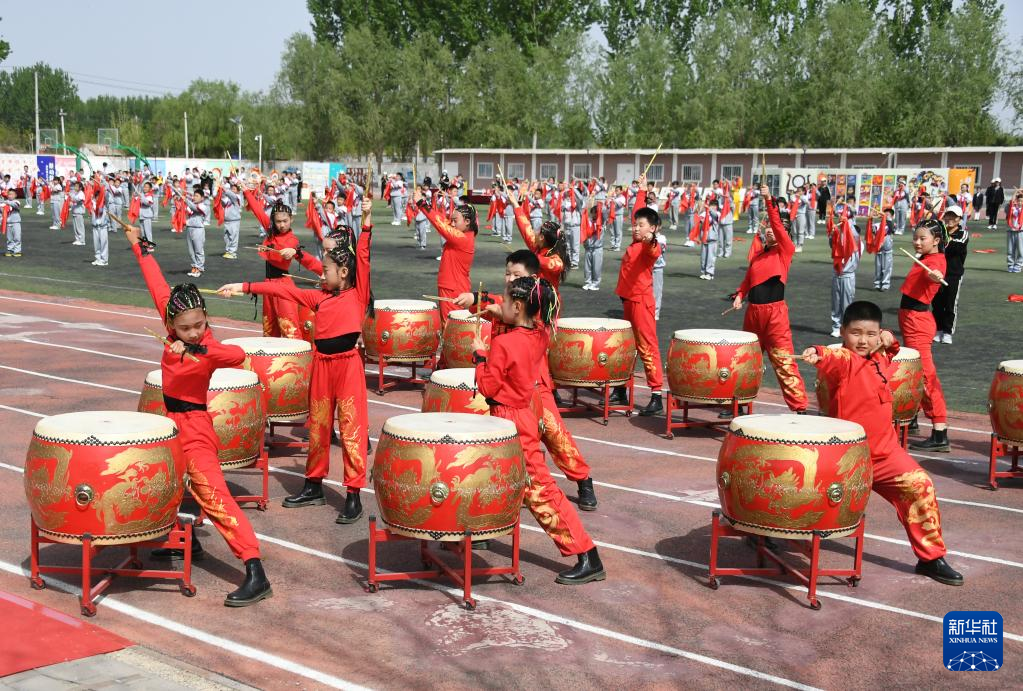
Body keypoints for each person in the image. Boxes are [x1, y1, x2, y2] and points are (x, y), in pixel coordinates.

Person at [119, 224, 272, 606]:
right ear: (170, 323)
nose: (192, 332)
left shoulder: (207, 345)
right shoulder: (171, 322)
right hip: (169, 423)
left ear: (205, 319)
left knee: (214, 495)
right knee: (163, 481)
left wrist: (200, 351)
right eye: (184, 328)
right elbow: (156, 284)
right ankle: (182, 541)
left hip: (195, 427)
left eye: (199, 325)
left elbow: (237, 355)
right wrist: (139, 246)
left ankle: (255, 569)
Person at [220, 203, 374, 523]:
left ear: (344, 273)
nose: (322, 275)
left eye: (326, 271)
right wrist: (244, 287)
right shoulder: (318, 298)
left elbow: (363, 255)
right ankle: (313, 485)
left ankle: (353, 494)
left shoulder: (358, 295)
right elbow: (280, 290)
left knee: (351, 430)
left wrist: (367, 221)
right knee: (318, 428)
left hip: (347, 367)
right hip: (322, 366)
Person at [802, 300, 963, 586]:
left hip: (886, 455)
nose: (862, 341)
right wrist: (817, 351)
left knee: (920, 485)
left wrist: (887, 336)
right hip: (847, 458)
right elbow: (832, 356)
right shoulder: (844, 361)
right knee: (802, 495)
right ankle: (766, 532)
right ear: (842, 332)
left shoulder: (881, 355)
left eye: (869, 334)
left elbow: (891, 345)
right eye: (855, 333)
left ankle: (930, 558)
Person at [471, 275, 604, 583]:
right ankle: (481, 530)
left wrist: (479, 356)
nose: (501, 305)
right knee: (498, 474)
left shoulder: (503, 343)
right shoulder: (542, 332)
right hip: (526, 411)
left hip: (510, 418)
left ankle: (586, 553)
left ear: (518, 307)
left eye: (506, 301)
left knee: (539, 488)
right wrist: (497, 311)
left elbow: (488, 386)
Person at [454, 249, 598, 510]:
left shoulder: (538, 302)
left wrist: (488, 303)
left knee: (554, 434)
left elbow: (509, 310)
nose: (510, 279)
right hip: (505, 387)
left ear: (533, 279)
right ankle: (510, 489)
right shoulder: (508, 301)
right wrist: (474, 299)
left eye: (516, 274)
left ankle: (582, 478)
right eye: (507, 273)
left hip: (534, 384)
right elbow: (497, 304)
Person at [730, 185, 809, 414]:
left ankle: (800, 408)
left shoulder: (785, 251)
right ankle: (739, 404)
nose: (772, 231)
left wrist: (768, 199)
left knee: (783, 361)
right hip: (753, 314)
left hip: (775, 316)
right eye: (769, 228)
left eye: (778, 229)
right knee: (746, 360)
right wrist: (740, 295)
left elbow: (777, 224)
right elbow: (748, 280)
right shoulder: (758, 255)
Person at [611, 176, 664, 416]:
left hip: (641, 302)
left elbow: (654, 249)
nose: (636, 227)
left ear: (652, 228)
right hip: (628, 301)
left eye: (641, 225)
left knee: (647, 347)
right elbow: (637, 212)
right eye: (635, 224)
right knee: (627, 347)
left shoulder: (648, 245)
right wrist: (641, 191)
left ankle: (656, 394)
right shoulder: (635, 242)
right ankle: (621, 389)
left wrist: (651, 238)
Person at [242, 190, 324, 339]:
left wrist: (292, 251)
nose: (281, 225)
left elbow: (295, 250)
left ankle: (297, 354)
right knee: (269, 329)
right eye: (278, 221)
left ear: (291, 219)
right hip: (268, 285)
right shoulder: (271, 232)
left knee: (289, 329)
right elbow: (258, 211)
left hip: (283, 286)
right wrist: (246, 192)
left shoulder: (292, 239)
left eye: (285, 221)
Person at [899, 220, 950, 452]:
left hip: (917, 323)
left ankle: (940, 431)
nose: (917, 242)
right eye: (916, 238)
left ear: (936, 241)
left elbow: (934, 274)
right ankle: (912, 418)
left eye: (922, 238)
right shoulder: (927, 257)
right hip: (911, 320)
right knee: (913, 371)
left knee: (926, 376)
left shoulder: (936, 261)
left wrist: (935, 275)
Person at [416, 185, 476, 323]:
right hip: (451, 286)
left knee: (451, 325)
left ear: (467, 222)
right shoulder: (465, 234)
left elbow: (441, 225)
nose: (452, 224)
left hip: (453, 288)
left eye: (455, 221)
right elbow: (443, 221)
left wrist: (421, 203)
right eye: (452, 220)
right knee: (451, 324)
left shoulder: (463, 238)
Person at [932, 205, 968, 344]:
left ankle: (947, 332)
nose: (950, 219)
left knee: (950, 304)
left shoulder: (962, 234)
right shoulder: (938, 233)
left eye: (954, 216)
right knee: (937, 303)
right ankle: (939, 329)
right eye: (948, 215)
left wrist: (942, 239)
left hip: (953, 274)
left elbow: (955, 248)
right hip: (937, 273)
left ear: (959, 219)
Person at [828, 200, 861, 338]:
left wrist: (847, 222)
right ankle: (836, 327)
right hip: (837, 275)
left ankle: (847, 327)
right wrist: (833, 233)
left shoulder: (856, 240)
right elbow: (832, 244)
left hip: (848, 276)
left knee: (847, 304)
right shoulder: (839, 236)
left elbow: (852, 235)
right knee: (836, 303)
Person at [174, 186, 209, 278]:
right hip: (189, 229)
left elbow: (194, 208)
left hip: (198, 230)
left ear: (202, 198)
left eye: (197, 196)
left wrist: (186, 200)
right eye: (194, 196)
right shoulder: (191, 205)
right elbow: (183, 209)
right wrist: (178, 200)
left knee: (198, 250)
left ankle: (199, 268)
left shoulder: (203, 206)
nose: (194, 197)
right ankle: (194, 267)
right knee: (191, 251)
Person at [870, 207, 895, 291]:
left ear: (892, 216)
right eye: (885, 214)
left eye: (888, 215)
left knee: (887, 268)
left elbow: (891, 228)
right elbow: (871, 230)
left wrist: (886, 218)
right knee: (878, 268)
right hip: (879, 250)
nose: (885, 216)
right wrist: (871, 218)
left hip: (887, 250)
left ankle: (885, 284)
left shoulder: (891, 224)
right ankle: (877, 283)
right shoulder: (877, 225)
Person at [90, 181, 110, 267]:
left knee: (103, 244)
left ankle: (104, 260)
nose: (98, 198)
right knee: (96, 244)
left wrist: (103, 187)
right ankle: (98, 258)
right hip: (95, 227)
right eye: (97, 197)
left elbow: (107, 195)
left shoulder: (104, 205)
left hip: (102, 227)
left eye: (100, 197)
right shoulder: (93, 205)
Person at [221, 183, 242, 259]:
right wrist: (219, 193)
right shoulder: (229, 199)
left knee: (233, 237)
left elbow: (231, 195)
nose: (232, 190)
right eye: (231, 189)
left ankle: (233, 253)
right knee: (226, 237)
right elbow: (223, 203)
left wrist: (224, 189)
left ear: (238, 191)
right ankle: (228, 250)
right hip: (227, 220)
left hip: (234, 221)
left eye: (234, 189)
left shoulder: (237, 198)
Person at [1, 188, 22, 257]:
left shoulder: (17, 202)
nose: (10, 196)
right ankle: (10, 250)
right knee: (9, 238)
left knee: (17, 237)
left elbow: (15, 205)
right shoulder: (4, 203)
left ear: (15, 195)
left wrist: (5, 202)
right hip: (8, 223)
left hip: (16, 222)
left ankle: (17, 251)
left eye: (12, 194)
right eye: (9, 194)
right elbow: (2, 211)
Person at [1007, 189, 1023, 273]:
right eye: (1018, 201)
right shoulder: (1013, 208)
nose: (1020, 202)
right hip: (1011, 230)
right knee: (1010, 249)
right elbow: (1012, 201)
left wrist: (1021, 191)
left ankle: (1018, 265)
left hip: (1021, 231)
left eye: (1021, 201)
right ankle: (1010, 264)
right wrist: (1016, 192)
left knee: (1020, 250)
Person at [137, 181, 157, 247]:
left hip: (147, 216)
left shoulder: (150, 195)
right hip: (141, 215)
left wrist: (141, 197)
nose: (145, 188)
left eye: (147, 187)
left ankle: (150, 245)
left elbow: (147, 203)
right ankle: (145, 244)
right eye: (144, 187)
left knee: (148, 231)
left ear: (150, 188)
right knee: (143, 232)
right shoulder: (142, 194)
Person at [70, 181, 86, 246]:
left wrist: (72, 198)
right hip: (74, 211)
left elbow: (79, 199)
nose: (75, 187)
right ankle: (77, 239)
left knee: (80, 227)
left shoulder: (81, 193)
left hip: (79, 212)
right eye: (75, 186)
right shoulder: (75, 193)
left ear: (80, 188)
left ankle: (82, 240)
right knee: (75, 227)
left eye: (77, 186)